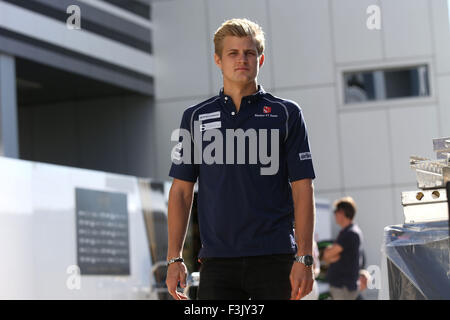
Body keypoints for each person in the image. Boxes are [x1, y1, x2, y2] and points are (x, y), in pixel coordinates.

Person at [165, 18, 316, 300]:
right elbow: (182, 192)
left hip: (275, 258)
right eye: (233, 53)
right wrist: (174, 258)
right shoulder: (195, 117)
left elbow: (303, 188)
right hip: (217, 263)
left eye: (249, 53)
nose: (242, 59)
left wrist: (304, 258)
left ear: (261, 59)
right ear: (218, 60)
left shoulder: (286, 114)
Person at [323, 197, 364, 300]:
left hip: (343, 287)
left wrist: (330, 254)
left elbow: (327, 255)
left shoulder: (350, 233)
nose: (334, 215)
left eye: (335, 211)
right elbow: (328, 257)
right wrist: (330, 255)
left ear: (342, 212)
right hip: (344, 287)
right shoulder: (349, 232)